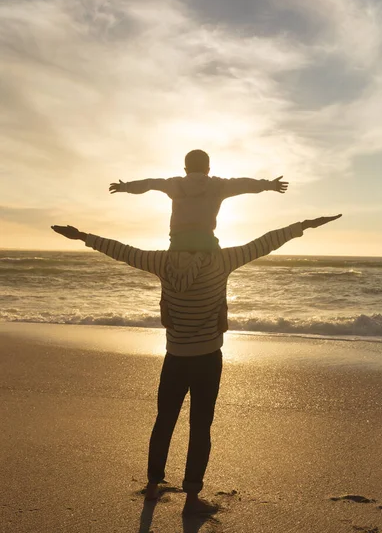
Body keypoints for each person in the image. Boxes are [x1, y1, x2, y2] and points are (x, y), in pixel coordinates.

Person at [51, 213, 341, 515]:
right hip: (207, 358)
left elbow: (121, 251)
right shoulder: (223, 260)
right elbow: (266, 242)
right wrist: (302, 226)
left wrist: (83, 235)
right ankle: (191, 498)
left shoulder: (162, 262)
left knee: (165, 421)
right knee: (200, 426)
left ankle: (152, 486)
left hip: (175, 356)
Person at [109, 149, 289, 251]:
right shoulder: (218, 186)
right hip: (206, 242)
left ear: (185, 169)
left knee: (170, 282)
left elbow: (149, 184)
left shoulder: (175, 184)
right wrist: (270, 185)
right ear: (208, 169)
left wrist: (125, 187)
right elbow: (244, 184)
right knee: (219, 280)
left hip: (178, 243)